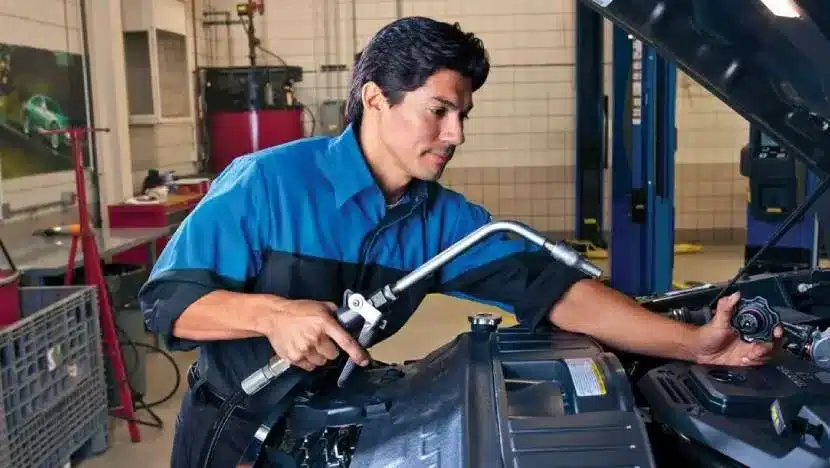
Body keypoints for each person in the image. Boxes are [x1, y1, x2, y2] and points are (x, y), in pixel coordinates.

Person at [139, 16, 782, 467]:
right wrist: (272, 315)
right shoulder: (268, 183)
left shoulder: (441, 222)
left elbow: (558, 291)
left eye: (463, 115)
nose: (456, 135)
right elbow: (167, 303)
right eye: (439, 111)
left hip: (336, 425)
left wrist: (694, 344)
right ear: (375, 99)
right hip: (231, 427)